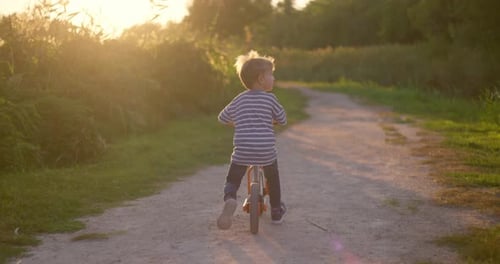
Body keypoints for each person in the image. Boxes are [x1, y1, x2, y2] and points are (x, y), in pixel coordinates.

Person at [217, 50, 287, 230]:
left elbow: (222, 118)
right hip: (265, 151)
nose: (273, 78)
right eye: (271, 75)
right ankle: (277, 210)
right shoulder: (270, 99)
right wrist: (274, 121)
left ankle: (230, 198)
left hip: (243, 151)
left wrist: (238, 123)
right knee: (273, 176)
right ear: (261, 79)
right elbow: (283, 119)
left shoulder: (239, 99)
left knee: (232, 179)